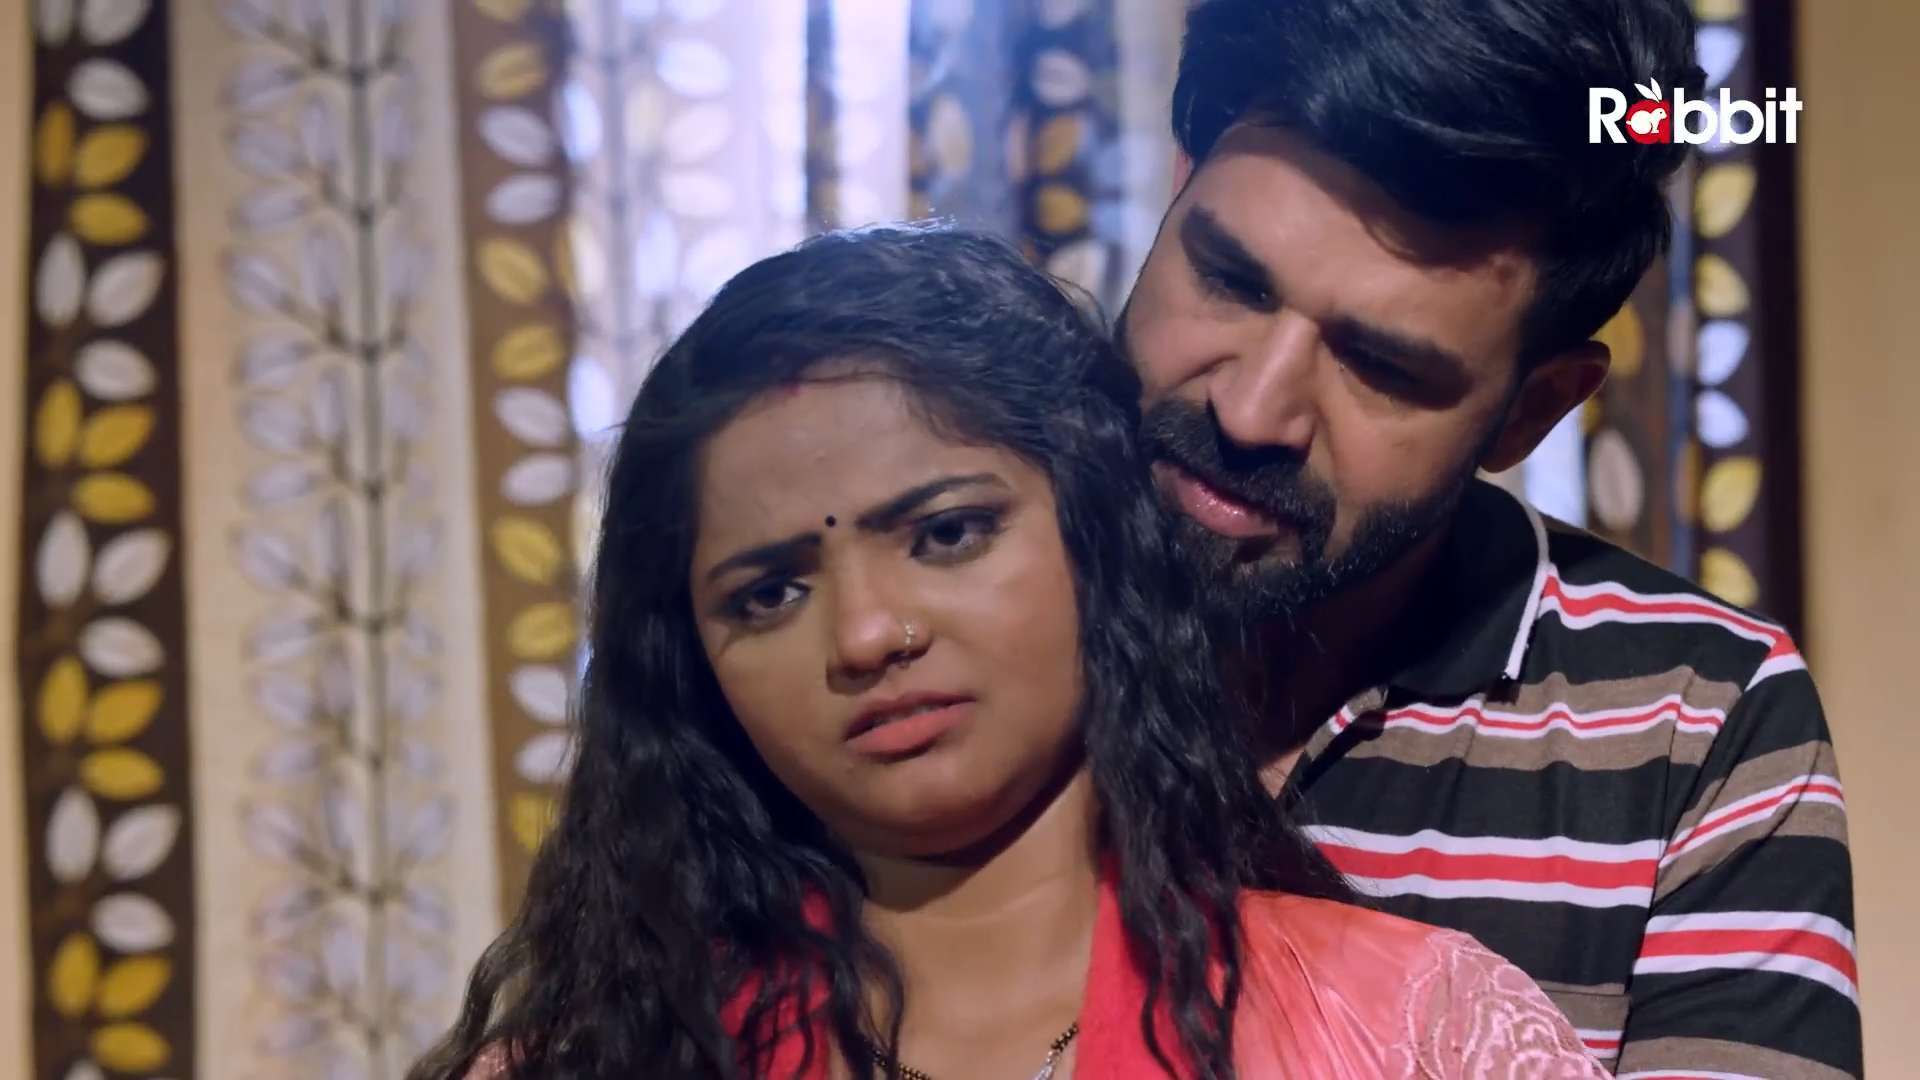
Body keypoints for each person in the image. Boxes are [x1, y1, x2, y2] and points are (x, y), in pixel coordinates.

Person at [412, 226, 1607, 1078]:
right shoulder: (590, 1061)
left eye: (946, 534)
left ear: (1101, 536)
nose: (868, 635)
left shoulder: (1413, 1031)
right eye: (768, 593)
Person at [1119, 1, 1860, 1076]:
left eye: (1381, 366)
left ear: (1533, 411)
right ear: (1178, 181)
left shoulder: (1696, 715)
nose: (1251, 411)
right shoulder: (928, 592)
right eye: (1229, 280)